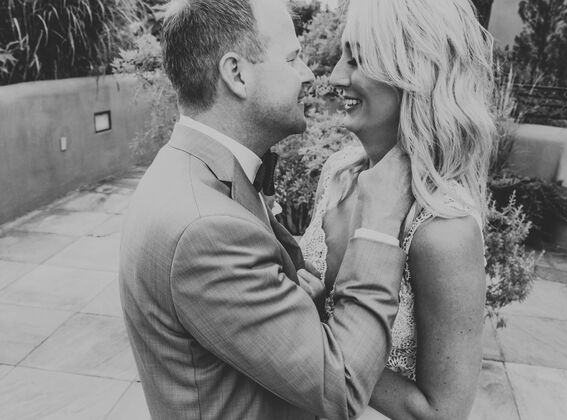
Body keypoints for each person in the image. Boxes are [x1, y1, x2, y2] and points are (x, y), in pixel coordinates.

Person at [119, 0, 414, 419]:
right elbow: (344, 386)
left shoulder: (195, 173)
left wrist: (298, 303)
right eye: (293, 59)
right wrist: (379, 224)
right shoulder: (205, 228)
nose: (310, 75)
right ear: (237, 74)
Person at [300, 0, 495, 418]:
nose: (336, 76)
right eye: (342, 56)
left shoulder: (444, 231)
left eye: (357, 59)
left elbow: (442, 412)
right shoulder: (338, 173)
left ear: (413, 74)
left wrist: (318, 336)